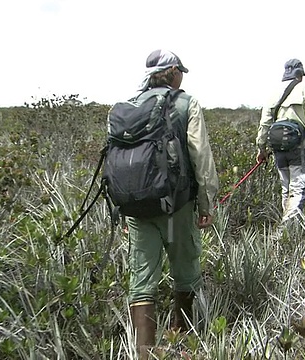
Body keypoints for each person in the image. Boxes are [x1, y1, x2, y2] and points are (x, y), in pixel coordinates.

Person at [117, 49, 219, 359]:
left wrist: (123, 208)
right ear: (172, 71)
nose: (183, 76)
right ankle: (182, 343)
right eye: (181, 71)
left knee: (142, 280)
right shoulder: (186, 103)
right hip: (175, 207)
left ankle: (144, 353)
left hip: (136, 208)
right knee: (185, 271)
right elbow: (201, 157)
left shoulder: (128, 106)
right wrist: (206, 203)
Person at [255, 59, 305, 223]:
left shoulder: (273, 92)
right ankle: (286, 232)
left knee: (286, 189)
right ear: (300, 74)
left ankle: (286, 226)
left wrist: (261, 148)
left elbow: (264, 123)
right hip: (300, 147)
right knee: (299, 189)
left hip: (278, 147)